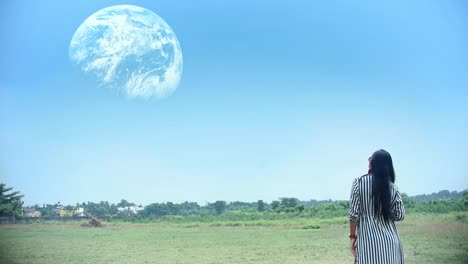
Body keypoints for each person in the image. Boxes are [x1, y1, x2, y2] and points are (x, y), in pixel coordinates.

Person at [349, 149, 405, 263]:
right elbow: (400, 215)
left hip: (368, 245)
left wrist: (352, 237)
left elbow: (353, 215)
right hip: (391, 244)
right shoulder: (393, 187)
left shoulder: (359, 182)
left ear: (372, 163)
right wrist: (383, 212)